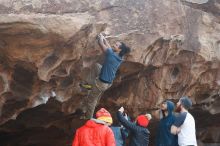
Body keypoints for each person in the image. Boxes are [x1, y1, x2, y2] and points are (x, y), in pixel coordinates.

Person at [81, 33, 131, 119]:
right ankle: (89, 85)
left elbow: (101, 44)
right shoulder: (119, 56)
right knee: (96, 66)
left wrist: (100, 38)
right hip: (108, 82)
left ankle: (88, 118)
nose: (113, 45)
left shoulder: (111, 54)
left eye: (116, 45)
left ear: (119, 49)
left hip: (101, 83)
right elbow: (109, 48)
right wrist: (104, 38)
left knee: (91, 100)